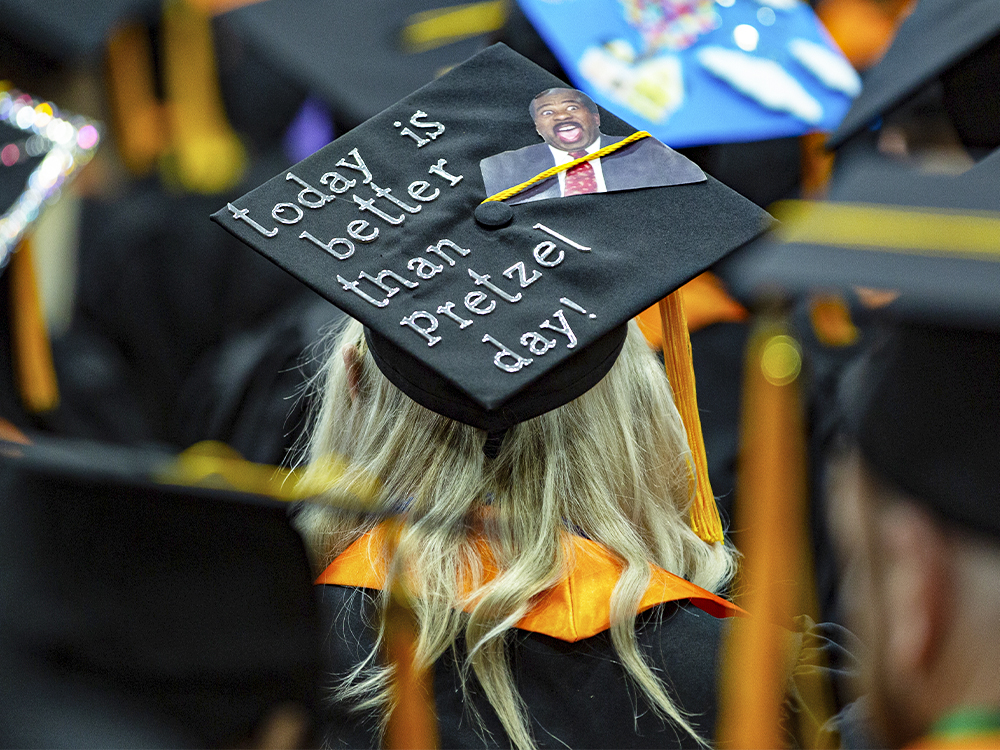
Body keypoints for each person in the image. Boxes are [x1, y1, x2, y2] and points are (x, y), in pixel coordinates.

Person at [479, 87, 705, 203]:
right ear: (538, 127)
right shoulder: (503, 168)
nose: (560, 116)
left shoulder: (653, 158)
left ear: (596, 118)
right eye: (548, 112)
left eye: (572, 108)